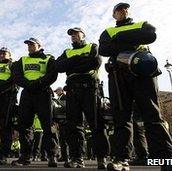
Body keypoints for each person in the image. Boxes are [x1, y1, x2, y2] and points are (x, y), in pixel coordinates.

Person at [98, 2, 172, 171]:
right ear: (114, 15)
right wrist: (134, 39)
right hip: (118, 74)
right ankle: (121, 159)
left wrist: (119, 39)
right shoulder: (108, 32)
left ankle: (166, 159)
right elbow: (104, 49)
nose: (123, 11)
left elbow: (150, 35)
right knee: (122, 117)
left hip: (143, 72)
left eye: (125, 8)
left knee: (152, 113)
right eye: (119, 9)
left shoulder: (142, 24)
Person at [55, 27, 110, 168]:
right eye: (71, 34)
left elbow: (95, 63)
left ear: (83, 34)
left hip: (90, 88)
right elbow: (58, 66)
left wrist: (72, 65)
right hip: (72, 90)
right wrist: (78, 60)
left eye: (76, 33)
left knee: (96, 123)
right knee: (73, 125)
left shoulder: (93, 46)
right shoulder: (67, 52)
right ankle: (77, 158)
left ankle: (102, 157)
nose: (73, 36)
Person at [11, 38, 58, 167]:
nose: (29, 46)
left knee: (48, 125)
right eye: (28, 45)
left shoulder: (48, 59)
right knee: (24, 126)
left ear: (39, 45)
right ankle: (25, 157)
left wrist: (38, 83)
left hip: (43, 92)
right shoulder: (23, 60)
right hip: (27, 94)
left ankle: (52, 156)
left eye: (32, 44)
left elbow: (52, 74)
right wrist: (28, 84)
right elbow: (17, 75)